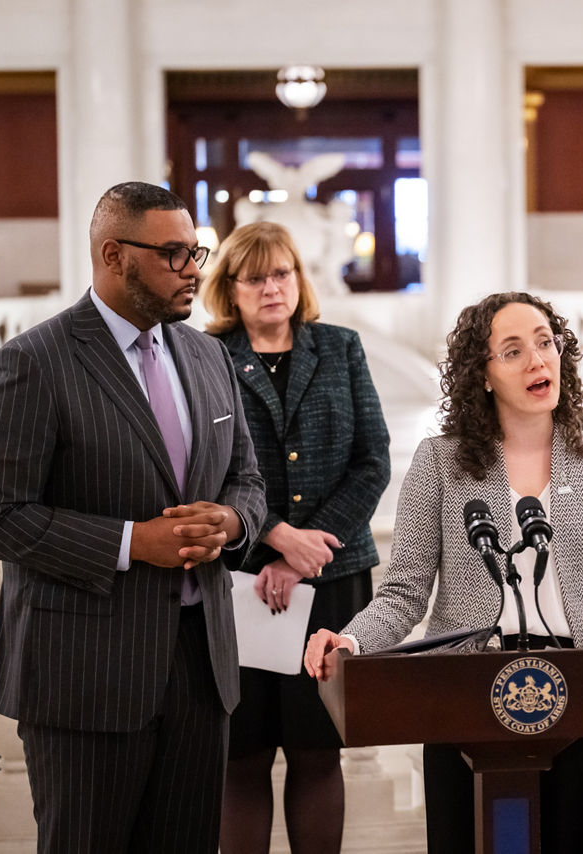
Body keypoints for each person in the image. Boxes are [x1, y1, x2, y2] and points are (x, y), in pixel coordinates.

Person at [303, 291, 583, 854]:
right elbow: (404, 593)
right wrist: (351, 639)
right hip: (467, 703)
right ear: (482, 374)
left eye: (545, 343)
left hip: (580, 698)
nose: (537, 361)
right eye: (513, 351)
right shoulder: (440, 461)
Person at [0, 182, 267, 854]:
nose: (195, 269)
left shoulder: (207, 354)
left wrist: (232, 523)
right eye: (174, 254)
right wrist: (135, 543)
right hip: (85, 676)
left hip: (200, 668)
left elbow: (246, 478)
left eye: (197, 251)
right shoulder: (33, 362)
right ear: (113, 255)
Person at [200, 221, 391, 854]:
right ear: (230, 288)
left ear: (298, 279)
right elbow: (198, 469)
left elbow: (373, 461)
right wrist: (275, 541)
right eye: (254, 277)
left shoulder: (340, 348)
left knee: (318, 752)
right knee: (242, 757)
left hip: (333, 581)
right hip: (237, 584)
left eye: (281, 272)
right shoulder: (205, 356)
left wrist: (310, 549)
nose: (271, 287)